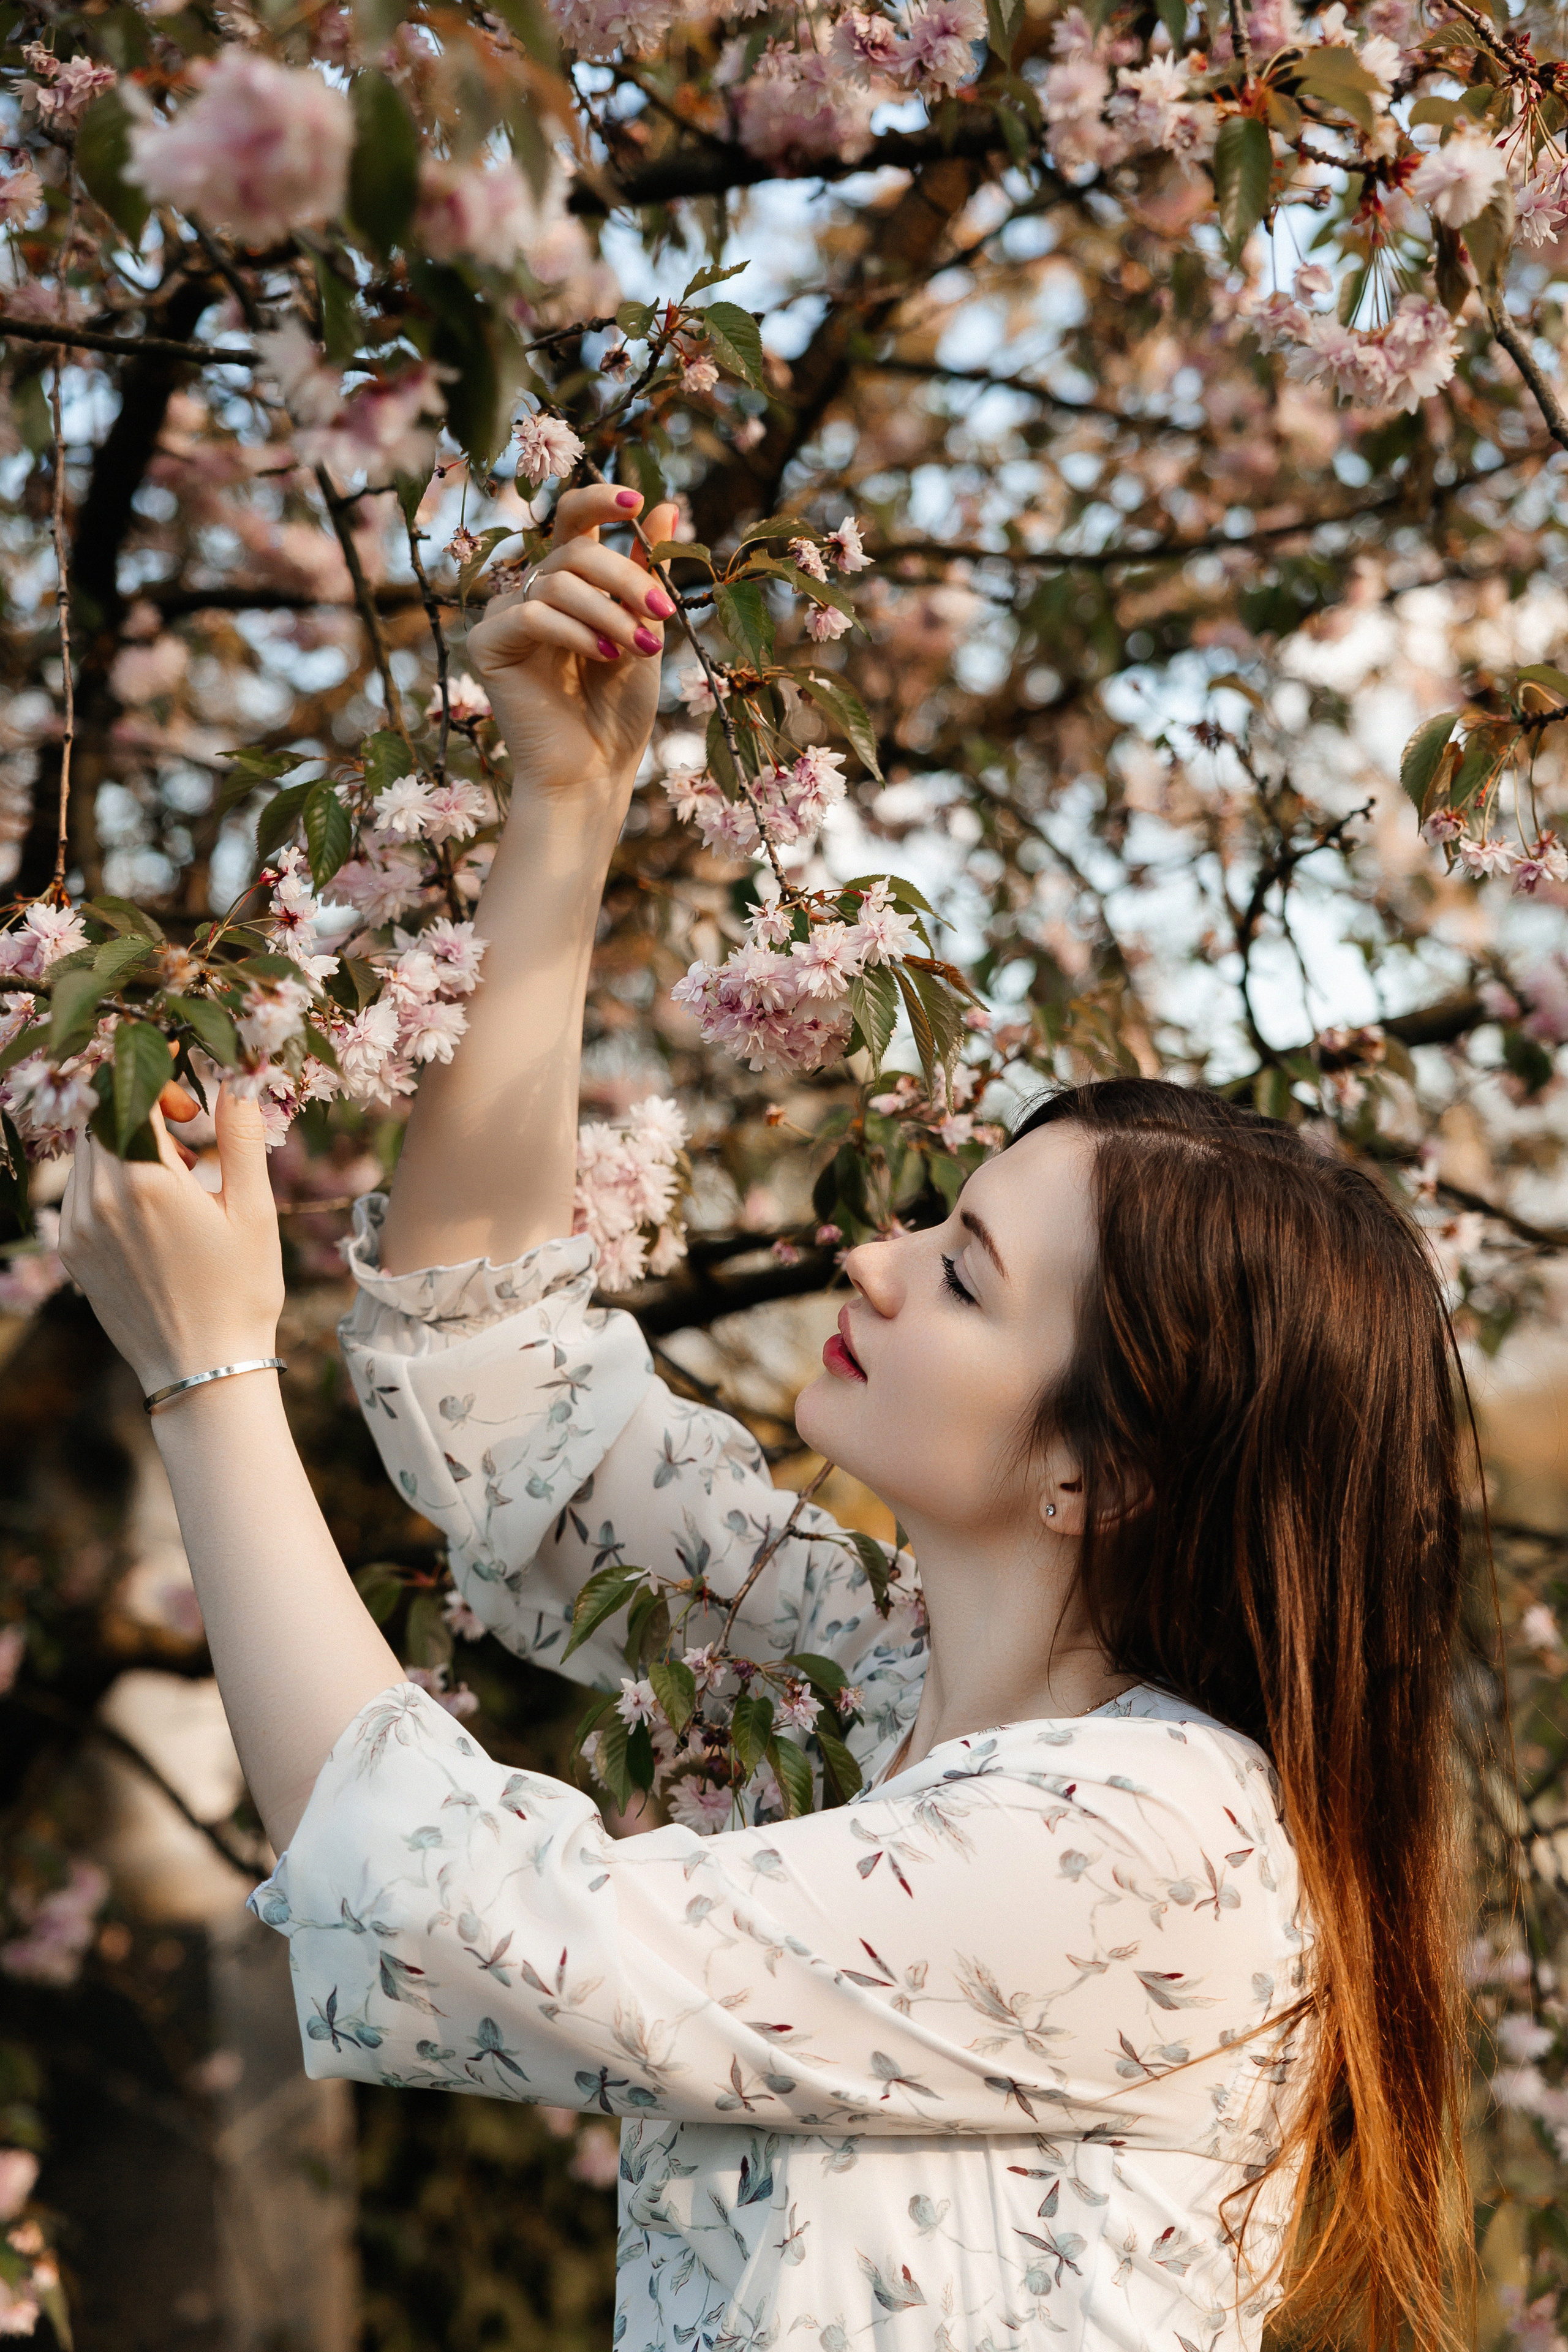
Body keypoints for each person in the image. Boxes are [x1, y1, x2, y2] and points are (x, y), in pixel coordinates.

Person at [58, 482, 1476, 2352]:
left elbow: (456, 1909)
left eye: (965, 1272)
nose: (874, 1264)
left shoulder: (1151, 1834)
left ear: (1098, 1471)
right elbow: (501, 1391)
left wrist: (209, 1373)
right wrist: (566, 810)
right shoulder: (891, 1679)